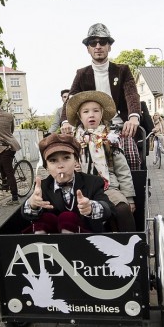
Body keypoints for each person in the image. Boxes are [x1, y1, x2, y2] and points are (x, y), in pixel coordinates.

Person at [60, 23, 141, 169]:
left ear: (109, 46)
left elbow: (131, 94)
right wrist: (65, 121)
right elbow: (71, 98)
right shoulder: (81, 74)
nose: (98, 46)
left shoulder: (122, 70)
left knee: (132, 158)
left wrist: (133, 117)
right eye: (93, 42)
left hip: (120, 128)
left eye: (102, 42)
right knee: (74, 160)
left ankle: (131, 191)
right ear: (88, 48)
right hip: (90, 128)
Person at [66, 90, 136, 232]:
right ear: (79, 116)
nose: (91, 114)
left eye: (96, 111)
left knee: (123, 210)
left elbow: (123, 170)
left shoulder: (110, 139)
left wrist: (129, 197)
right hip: (81, 189)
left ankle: (131, 246)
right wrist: (73, 170)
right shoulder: (72, 142)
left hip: (108, 188)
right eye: (86, 112)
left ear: (102, 114)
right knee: (73, 215)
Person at [22, 133, 114, 233]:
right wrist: (32, 204)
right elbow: (29, 216)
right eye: (53, 160)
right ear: (46, 167)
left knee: (68, 217)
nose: (60, 165)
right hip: (53, 244)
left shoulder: (93, 182)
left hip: (85, 240)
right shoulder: (42, 187)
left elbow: (109, 209)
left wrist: (91, 207)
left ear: (75, 161)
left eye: (66, 158)